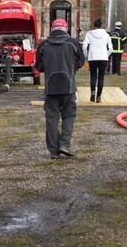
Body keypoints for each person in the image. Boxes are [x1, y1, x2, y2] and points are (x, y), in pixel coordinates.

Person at [36, 18, 85, 159]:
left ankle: (53, 150)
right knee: (69, 116)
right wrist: (70, 67)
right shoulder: (73, 43)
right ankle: (64, 145)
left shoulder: (44, 45)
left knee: (51, 118)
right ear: (66, 28)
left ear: (52, 29)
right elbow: (80, 62)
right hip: (68, 86)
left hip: (51, 87)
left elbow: (39, 67)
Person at [82, 18, 112, 102]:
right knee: (101, 77)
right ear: (101, 25)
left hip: (92, 57)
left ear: (94, 25)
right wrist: (106, 55)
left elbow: (84, 46)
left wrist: (86, 55)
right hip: (103, 58)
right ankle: (99, 97)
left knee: (93, 76)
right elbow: (111, 48)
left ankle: (92, 94)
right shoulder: (106, 35)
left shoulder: (89, 34)